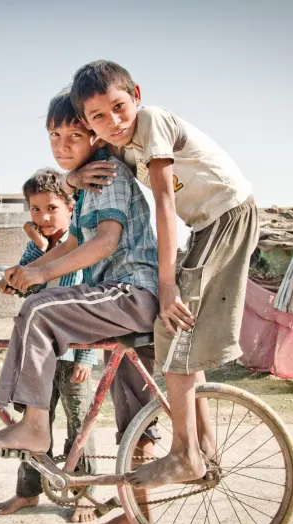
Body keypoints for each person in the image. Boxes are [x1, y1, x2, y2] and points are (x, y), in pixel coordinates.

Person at [67, 60, 259, 489]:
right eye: (98, 116)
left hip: (227, 215)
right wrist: (72, 177)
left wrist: (168, 287)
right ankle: (204, 447)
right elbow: (86, 161)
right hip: (209, 223)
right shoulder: (121, 143)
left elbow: (165, 207)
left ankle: (185, 454)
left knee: (171, 325)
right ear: (87, 121)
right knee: (180, 335)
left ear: (135, 94)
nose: (113, 122)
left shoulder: (151, 121)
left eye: (119, 107)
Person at [0, 89, 161, 524]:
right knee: (132, 407)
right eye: (54, 135)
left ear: (96, 136)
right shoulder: (87, 183)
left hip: (129, 292)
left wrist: (40, 278)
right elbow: (75, 243)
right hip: (125, 299)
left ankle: (35, 425)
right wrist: (25, 270)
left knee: (39, 312)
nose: (62, 145)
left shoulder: (106, 175)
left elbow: (104, 243)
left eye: (74, 134)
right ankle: (140, 516)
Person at [0, 167, 99, 524]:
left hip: (74, 352)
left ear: (71, 207)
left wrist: (87, 354)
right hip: (41, 354)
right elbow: (22, 281)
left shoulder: (84, 244)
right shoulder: (35, 245)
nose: (43, 217)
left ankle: (84, 493)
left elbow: (90, 302)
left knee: (79, 423)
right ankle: (29, 492)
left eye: (51, 208)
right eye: (35, 210)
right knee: (34, 422)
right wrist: (34, 251)